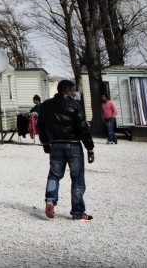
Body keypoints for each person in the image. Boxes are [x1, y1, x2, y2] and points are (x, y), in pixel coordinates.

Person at [36, 79, 95, 221]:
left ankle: (50, 199)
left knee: (54, 175)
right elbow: (82, 128)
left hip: (55, 145)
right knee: (77, 179)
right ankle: (78, 212)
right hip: (73, 144)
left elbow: (41, 126)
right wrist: (90, 148)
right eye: (73, 90)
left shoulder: (45, 105)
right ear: (68, 90)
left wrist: (45, 143)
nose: (74, 92)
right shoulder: (75, 105)